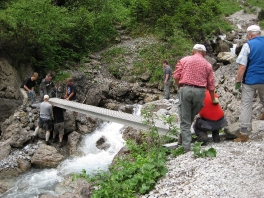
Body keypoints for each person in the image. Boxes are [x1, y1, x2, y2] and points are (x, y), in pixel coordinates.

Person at [173, 44, 218, 152]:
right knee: (189, 117)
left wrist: (180, 86)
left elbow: (176, 76)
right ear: (204, 54)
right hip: (200, 92)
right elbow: (211, 84)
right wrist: (213, 99)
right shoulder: (207, 65)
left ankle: (186, 147)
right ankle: (182, 138)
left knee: (185, 119)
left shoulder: (184, 60)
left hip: (186, 89)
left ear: (193, 51)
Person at [234, 24, 264, 142]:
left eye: (247, 35)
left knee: (246, 104)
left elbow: (242, 66)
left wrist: (238, 81)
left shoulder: (248, 45)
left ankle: (244, 133)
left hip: (250, 80)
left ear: (250, 35)